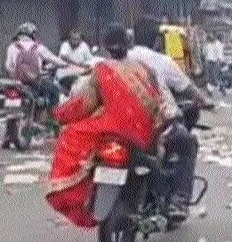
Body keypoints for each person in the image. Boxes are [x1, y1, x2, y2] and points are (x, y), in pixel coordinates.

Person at [45, 24, 169, 228]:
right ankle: (157, 203)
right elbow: (158, 103)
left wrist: (60, 115)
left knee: (72, 136)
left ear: (105, 47)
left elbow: (84, 104)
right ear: (128, 44)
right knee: (157, 156)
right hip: (142, 134)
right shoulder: (145, 70)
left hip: (111, 130)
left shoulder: (102, 70)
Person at [129, 21, 213, 221]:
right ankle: (179, 200)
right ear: (158, 40)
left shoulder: (116, 61)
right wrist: (205, 101)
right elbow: (188, 88)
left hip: (120, 125)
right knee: (187, 144)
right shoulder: (161, 62)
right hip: (152, 126)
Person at [4, 22, 67, 111]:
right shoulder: (38, 47)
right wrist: (65, 64)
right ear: (32, 34)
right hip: (34, 82)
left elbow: (8, 66)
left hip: (16, 83)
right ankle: (52, 116)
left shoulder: (12, 47)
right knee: (55, 90)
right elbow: (53, 59)